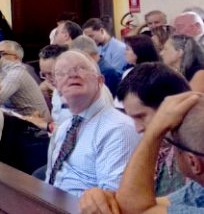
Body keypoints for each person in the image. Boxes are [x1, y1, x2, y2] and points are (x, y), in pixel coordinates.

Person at [78, 92, 204, 214]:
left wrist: (154, 131)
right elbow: (133, 203)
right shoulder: (199, 188)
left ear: (194, 163)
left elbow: (134, 209)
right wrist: (101, 199)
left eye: (141, 116)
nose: (137, 128)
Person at [44, 51, 139, 195]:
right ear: (57, 87)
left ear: (100, 81)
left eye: (80, 68)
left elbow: (111, 200)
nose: (72, 75)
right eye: (62, 73)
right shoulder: (64, 128)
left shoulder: (118, 129)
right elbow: (50, 180)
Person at [115, 63, 192, 196]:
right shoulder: (163, 148)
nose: (138, 128)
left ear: (170, 107)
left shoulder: (195, 151)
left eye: (141, 116)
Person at [0, 40, 50, 120]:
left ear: (16, 58)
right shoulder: (4, 73)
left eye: (2, 54)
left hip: (36, 128)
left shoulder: (18, 73)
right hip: (20, 123)